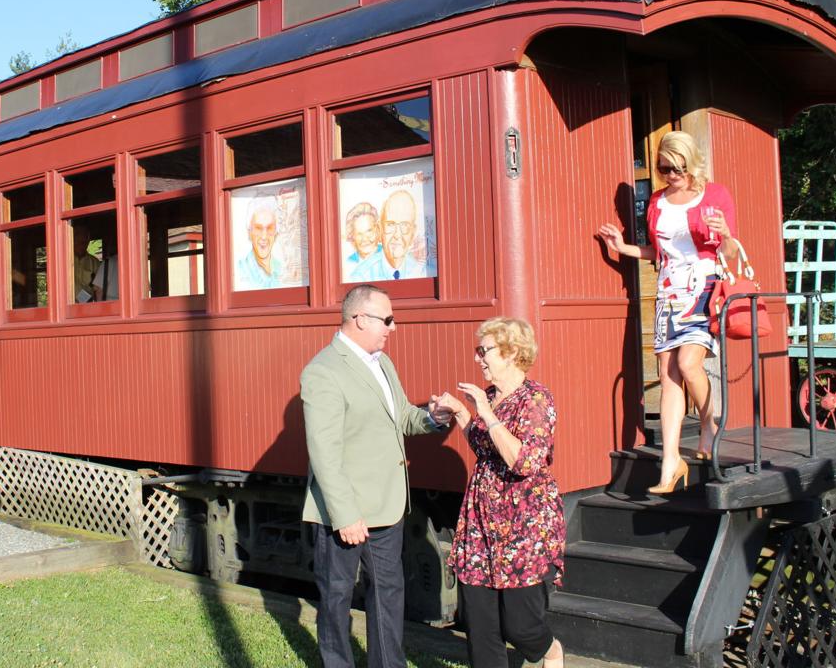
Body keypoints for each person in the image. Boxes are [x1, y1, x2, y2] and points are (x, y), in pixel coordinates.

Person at [301, 284, 450, 668]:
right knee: (335, 598)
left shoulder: (382, 362)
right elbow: (324, 453)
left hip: (387, 506)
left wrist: (433, 418)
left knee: (388, 593)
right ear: (359, 319)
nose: (393, 327)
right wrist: (346, 514)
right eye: (387, 319)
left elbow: (401, 417)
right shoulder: (323, 372)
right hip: (345, 512)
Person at [596, 130, 738, 493]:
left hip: (703, 287)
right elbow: (658, 254)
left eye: (676, 168)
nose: (670, 175)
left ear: (690, 163)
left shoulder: (716, 194)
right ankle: (670, 462)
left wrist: (724, 235)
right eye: (663, 169)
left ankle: (710, 423)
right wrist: (623, 248)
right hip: (667, 292)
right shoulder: (658, 202)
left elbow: (732, 253)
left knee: (689, 364)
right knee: (668, 371)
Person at [432, 317, 565, 668]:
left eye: (485, 350)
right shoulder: (490, 396)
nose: (479, 358)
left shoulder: (536, 399)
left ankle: (551, 651)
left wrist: (487, 414)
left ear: (510, 353)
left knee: (520, 627)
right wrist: (461, 411)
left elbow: (523, 461)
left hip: (523, 522)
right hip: (482, 518)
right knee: (481, 623)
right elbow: (484, 445)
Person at [350, 191, 424, 281]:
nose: (397, 235)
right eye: (390, 225)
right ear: (380, 229)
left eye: (404, 225)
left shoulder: (422, 272)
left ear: (413, 233)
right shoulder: (361, 277)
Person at [235, 194, 283, 289]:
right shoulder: (239, 270)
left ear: (276, 233)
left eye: (269, 228)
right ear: (249, 233)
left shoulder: (282, 269)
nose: (264, 236)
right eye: (258, 228)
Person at [343, 201, 382, 279]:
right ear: (352, 236)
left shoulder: (387, 256)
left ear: (377, 230)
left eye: (369, 231)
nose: (364, 239)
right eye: (359, 234)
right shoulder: (349, 263)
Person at [71, 223, 101, 303]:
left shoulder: (95, 262)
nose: (82, 245)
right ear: (72, 240)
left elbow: (99, 287)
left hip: (88, 305)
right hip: (66, 306)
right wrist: (85, 299)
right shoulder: (63, 260)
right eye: (79, 242)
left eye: (85, 242)